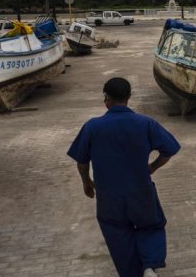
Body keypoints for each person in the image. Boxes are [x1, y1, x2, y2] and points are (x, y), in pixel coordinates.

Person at [68, 77, 180, 277]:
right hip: (141, 192)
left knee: (117, 234)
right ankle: (149, 267)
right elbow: (169, 149)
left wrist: (86, 182)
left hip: (109, 196)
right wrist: (152, 167)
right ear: (129, 97)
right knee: (151, 225)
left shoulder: (92, 127)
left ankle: (132, 273)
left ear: (106, 99)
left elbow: (82, 161)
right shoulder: (145, 123)